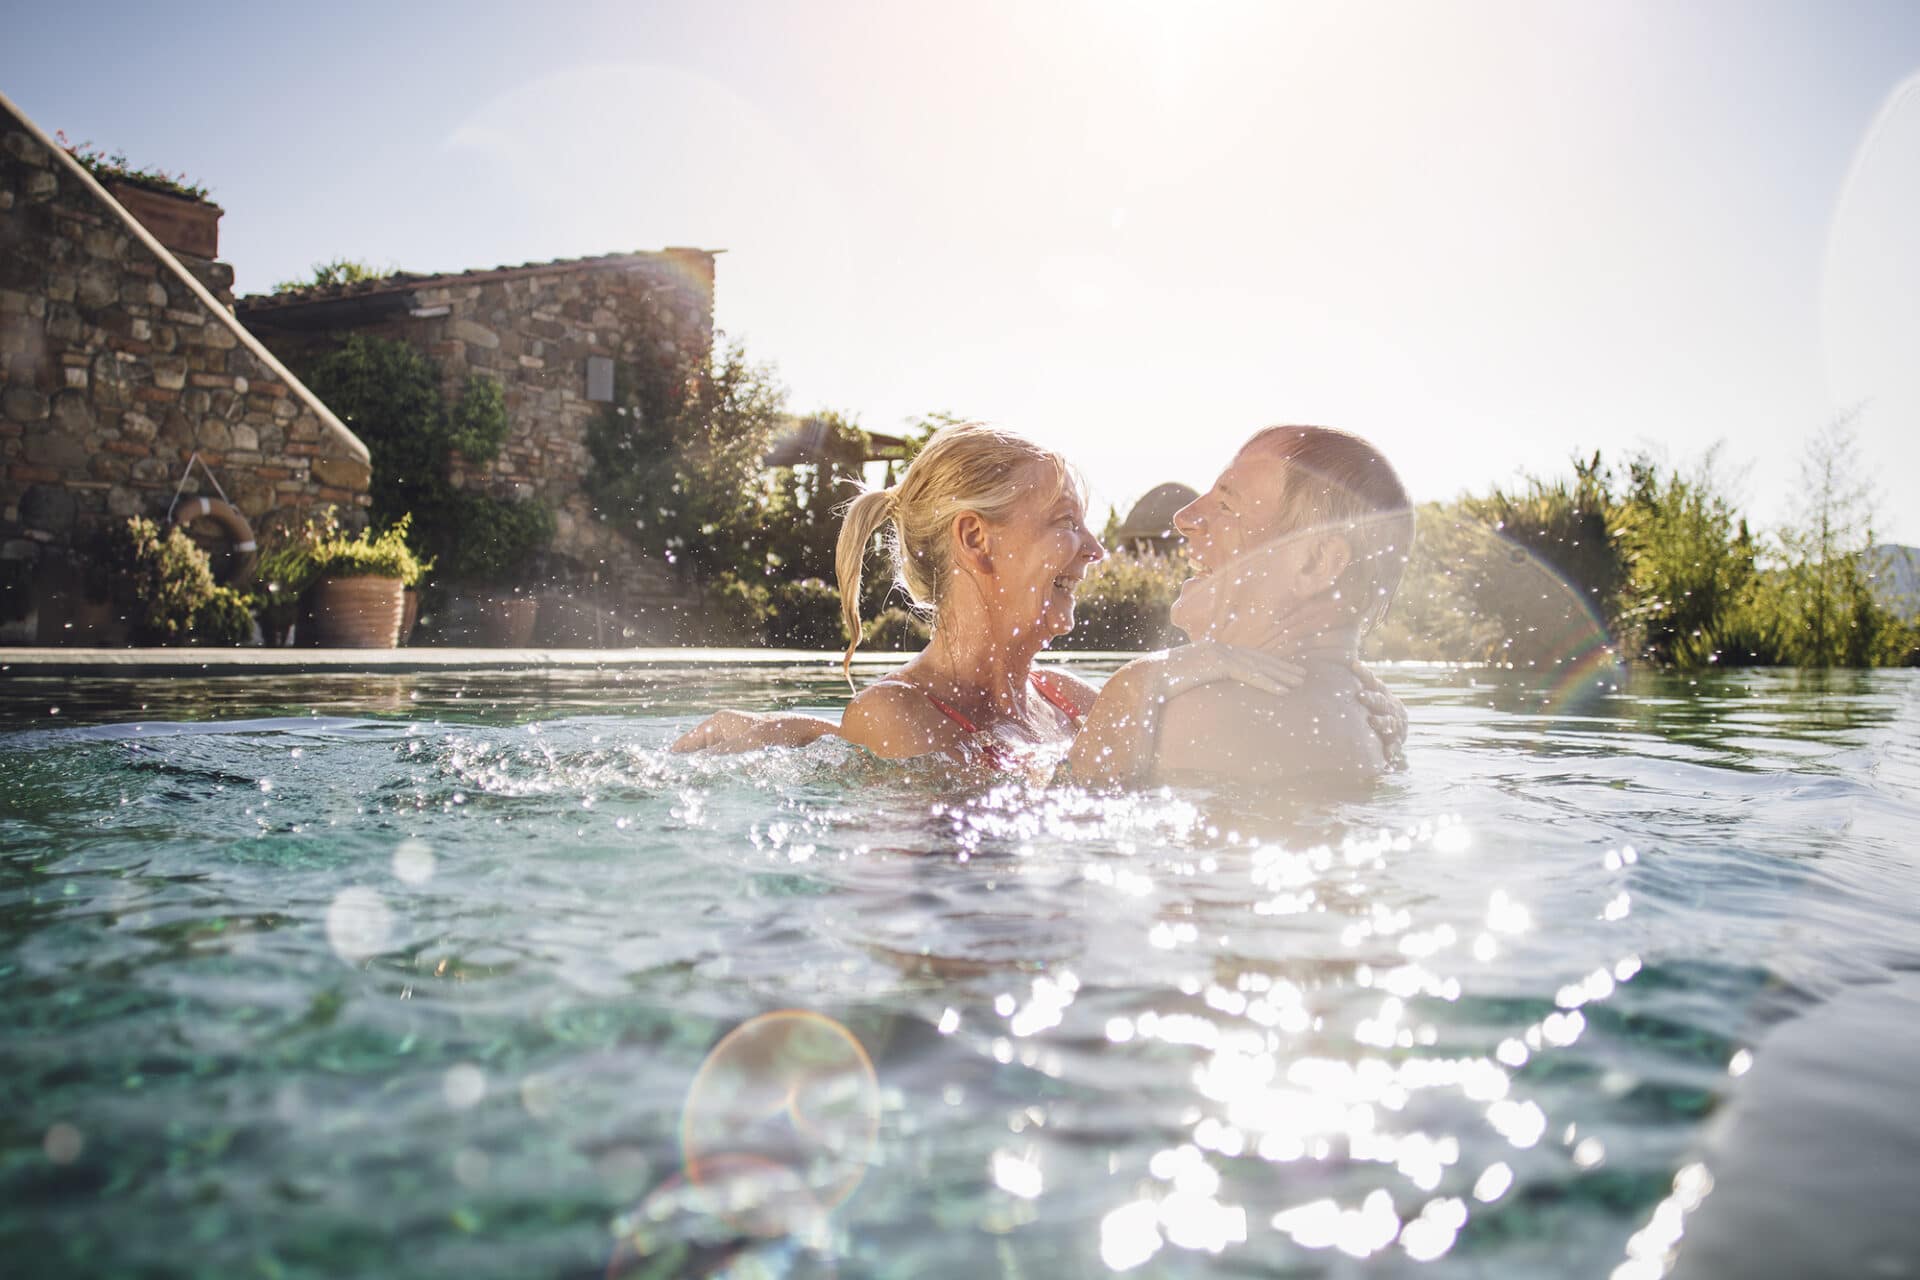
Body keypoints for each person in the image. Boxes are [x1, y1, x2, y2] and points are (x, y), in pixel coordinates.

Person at [672, 422, 1325, 767]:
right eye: (1065, 523)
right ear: (977, 540)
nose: (1096, 552)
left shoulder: (1065, 697)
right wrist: (1147, 681)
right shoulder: (896, 714)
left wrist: (1321, 702)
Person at [1065, 425, 1414, 785]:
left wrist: (1131, 688)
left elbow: (1065, 824)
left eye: (1227, 505)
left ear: (1316, 563)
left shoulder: (1194, 719)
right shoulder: (1372, 731)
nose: (1184, 518)